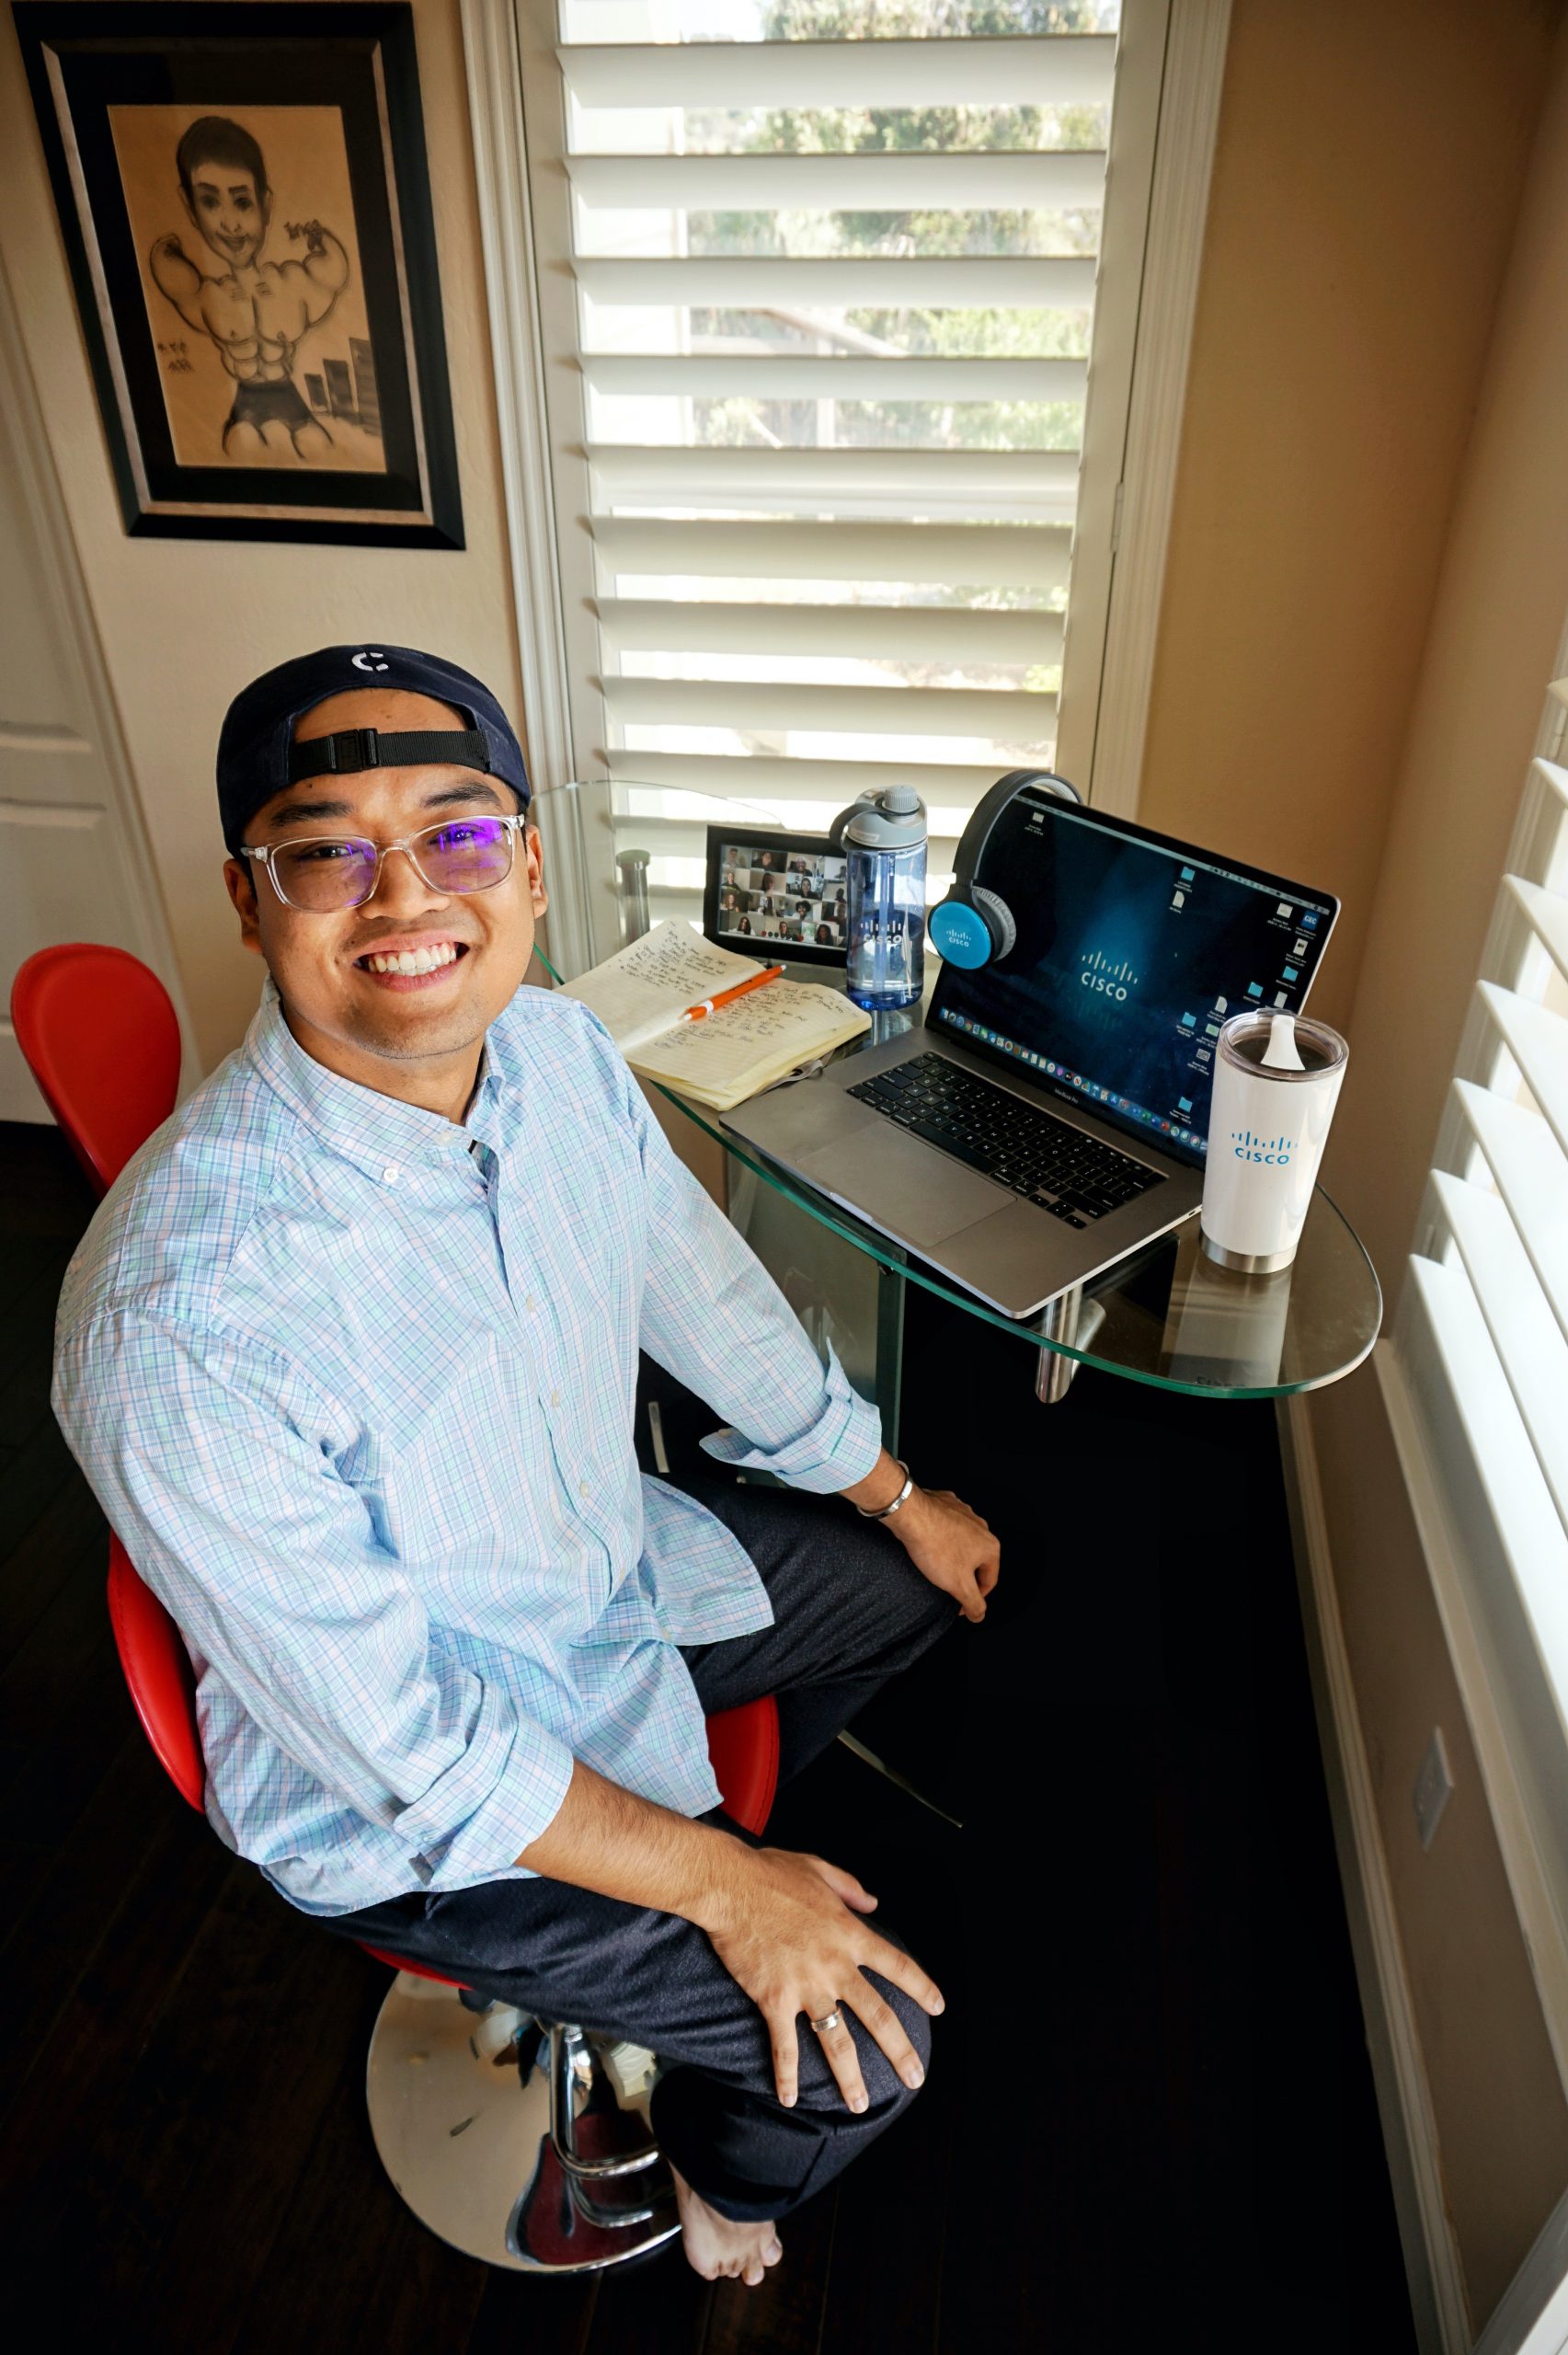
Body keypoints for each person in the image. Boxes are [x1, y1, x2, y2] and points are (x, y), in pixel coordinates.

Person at [54, 646, 1001, 2286]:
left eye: (457, 832)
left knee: (900, 1604)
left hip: (599, 1572)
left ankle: (661, 1916)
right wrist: (723, 1882)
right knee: (863, 2069)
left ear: (529, 864)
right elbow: (413, 1748)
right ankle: (727, 2179)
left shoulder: (556, 1056)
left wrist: (891, 1495)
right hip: (410, 1783)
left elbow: (696, 1285)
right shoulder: (181, 1322)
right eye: (325, 845)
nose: (403, 891)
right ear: (247, 894)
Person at [149, 115, 349, 461]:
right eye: (210, 202)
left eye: (242, 202)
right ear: (190, 209)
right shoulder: (210, 297)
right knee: (243, 446)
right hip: (245, 407)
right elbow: (173, 282)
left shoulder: (293, 284)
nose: (230, 223)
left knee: (319, 448)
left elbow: (333, 274)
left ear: (266, 205)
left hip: (291, 400)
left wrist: (317, 237)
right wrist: (164, 249)